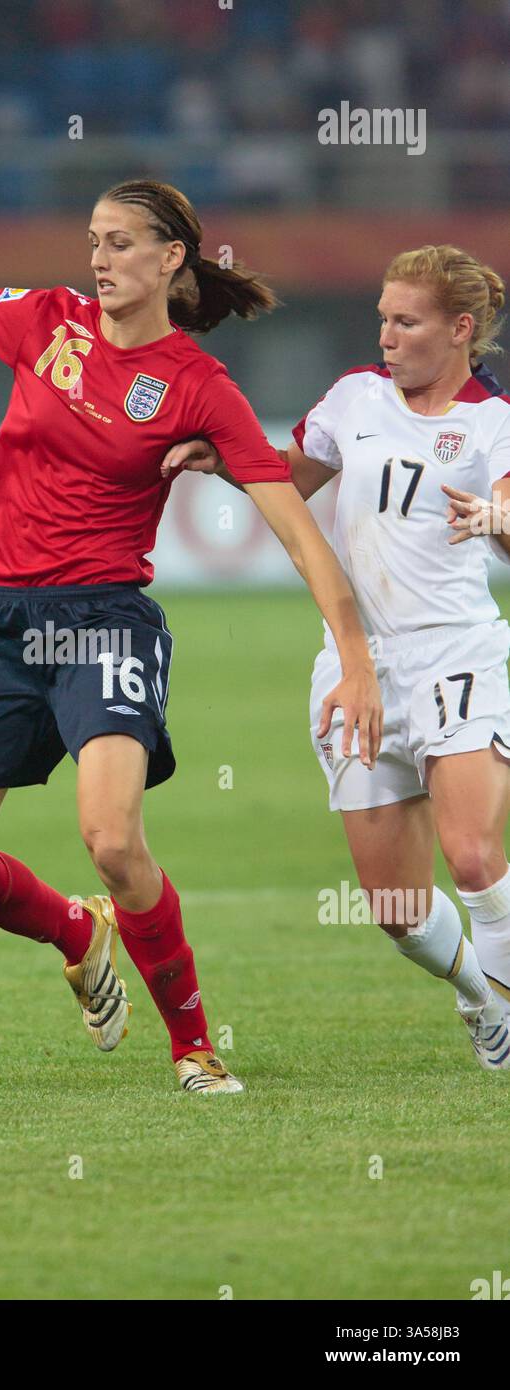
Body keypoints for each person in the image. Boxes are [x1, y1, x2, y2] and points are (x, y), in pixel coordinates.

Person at [0, 179, 381, 1095]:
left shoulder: (197, 386)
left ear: (171, 259)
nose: (100, 259)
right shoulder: (45, 320)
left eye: (119, 243)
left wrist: (356, 660)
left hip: (103, 620)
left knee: (112, 838)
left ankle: (193, 1046)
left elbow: (300, 532)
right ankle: (77, 932)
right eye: (93, 241)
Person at [161, 243, 510, 1071]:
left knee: (469, 853)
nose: (386, 336)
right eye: (382, 317)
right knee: (393, 903)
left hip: (455, 653)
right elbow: (293, 478)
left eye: (406, 321)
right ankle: (481, 1002)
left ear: (460, 329)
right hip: (355, 667)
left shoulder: (494, 423)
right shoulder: (355, 398)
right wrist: (228, 467)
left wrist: (494, 522)